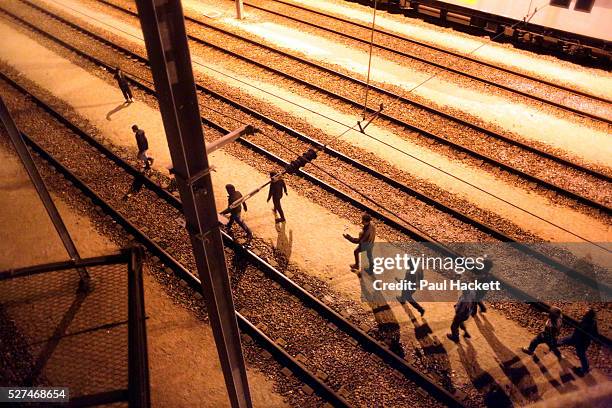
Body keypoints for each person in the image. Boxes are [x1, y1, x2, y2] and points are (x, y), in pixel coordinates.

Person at [559, 308, 598, 375]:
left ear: (588, 315)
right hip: (583, 341)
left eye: (586, 312)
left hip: (579, 341)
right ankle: (585, 368)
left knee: (580, 354)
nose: (584, 312)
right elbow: (595, 333)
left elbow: (579, 333)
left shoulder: (586, 323)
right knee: (565, 341)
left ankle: (584, 369)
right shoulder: (593, 322)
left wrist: (575, 340)